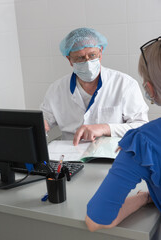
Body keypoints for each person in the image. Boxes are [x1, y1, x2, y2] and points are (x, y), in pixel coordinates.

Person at [85, 36, 161, 231]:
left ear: (150, 89)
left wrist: (144, 197)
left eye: (91, 55)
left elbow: (97, 220)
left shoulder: (143, 142)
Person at [40, 27, 148, 144]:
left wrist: (105, 128)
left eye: (92, 55)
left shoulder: (125, 84)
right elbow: (44, 119)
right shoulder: (56, 89)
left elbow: (141, 127)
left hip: (112, 154)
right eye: (80, 58)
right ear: (69, 60)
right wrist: (42, 124)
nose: (87, 62)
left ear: (100, 52)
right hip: (70, 153)